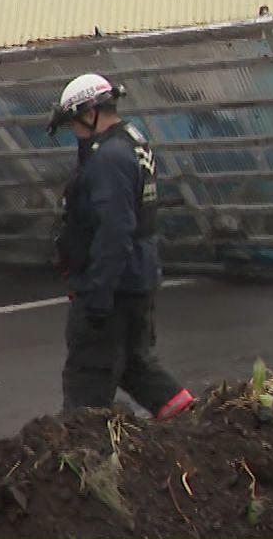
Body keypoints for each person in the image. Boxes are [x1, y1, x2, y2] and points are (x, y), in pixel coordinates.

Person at [48, 73, 193, 419]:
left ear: (90, 113)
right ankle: (190, 422)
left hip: (114, 288)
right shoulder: (133, 140)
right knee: (134, 365)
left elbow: (115, 230)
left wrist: (97, 297)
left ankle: (85, 454)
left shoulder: (109, 157)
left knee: (88, 375)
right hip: (137, 278)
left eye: (75, 125)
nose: (76, 134)